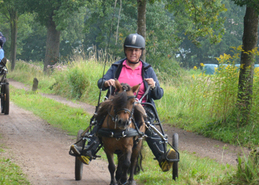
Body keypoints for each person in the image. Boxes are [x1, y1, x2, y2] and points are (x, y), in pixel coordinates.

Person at [70, 33, 178, 172]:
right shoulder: (117, 66)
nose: (133, 52)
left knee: (148, 125)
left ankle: (162, 157)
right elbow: (100, 82)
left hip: (140, 104)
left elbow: (158, 94)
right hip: (117, 104)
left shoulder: (147, 69)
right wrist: (106, 82)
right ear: (125, 50)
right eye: (130, 49)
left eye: (136, 50)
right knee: (101, 119)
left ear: (141, 52)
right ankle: (88, 151)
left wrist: (154, 86)